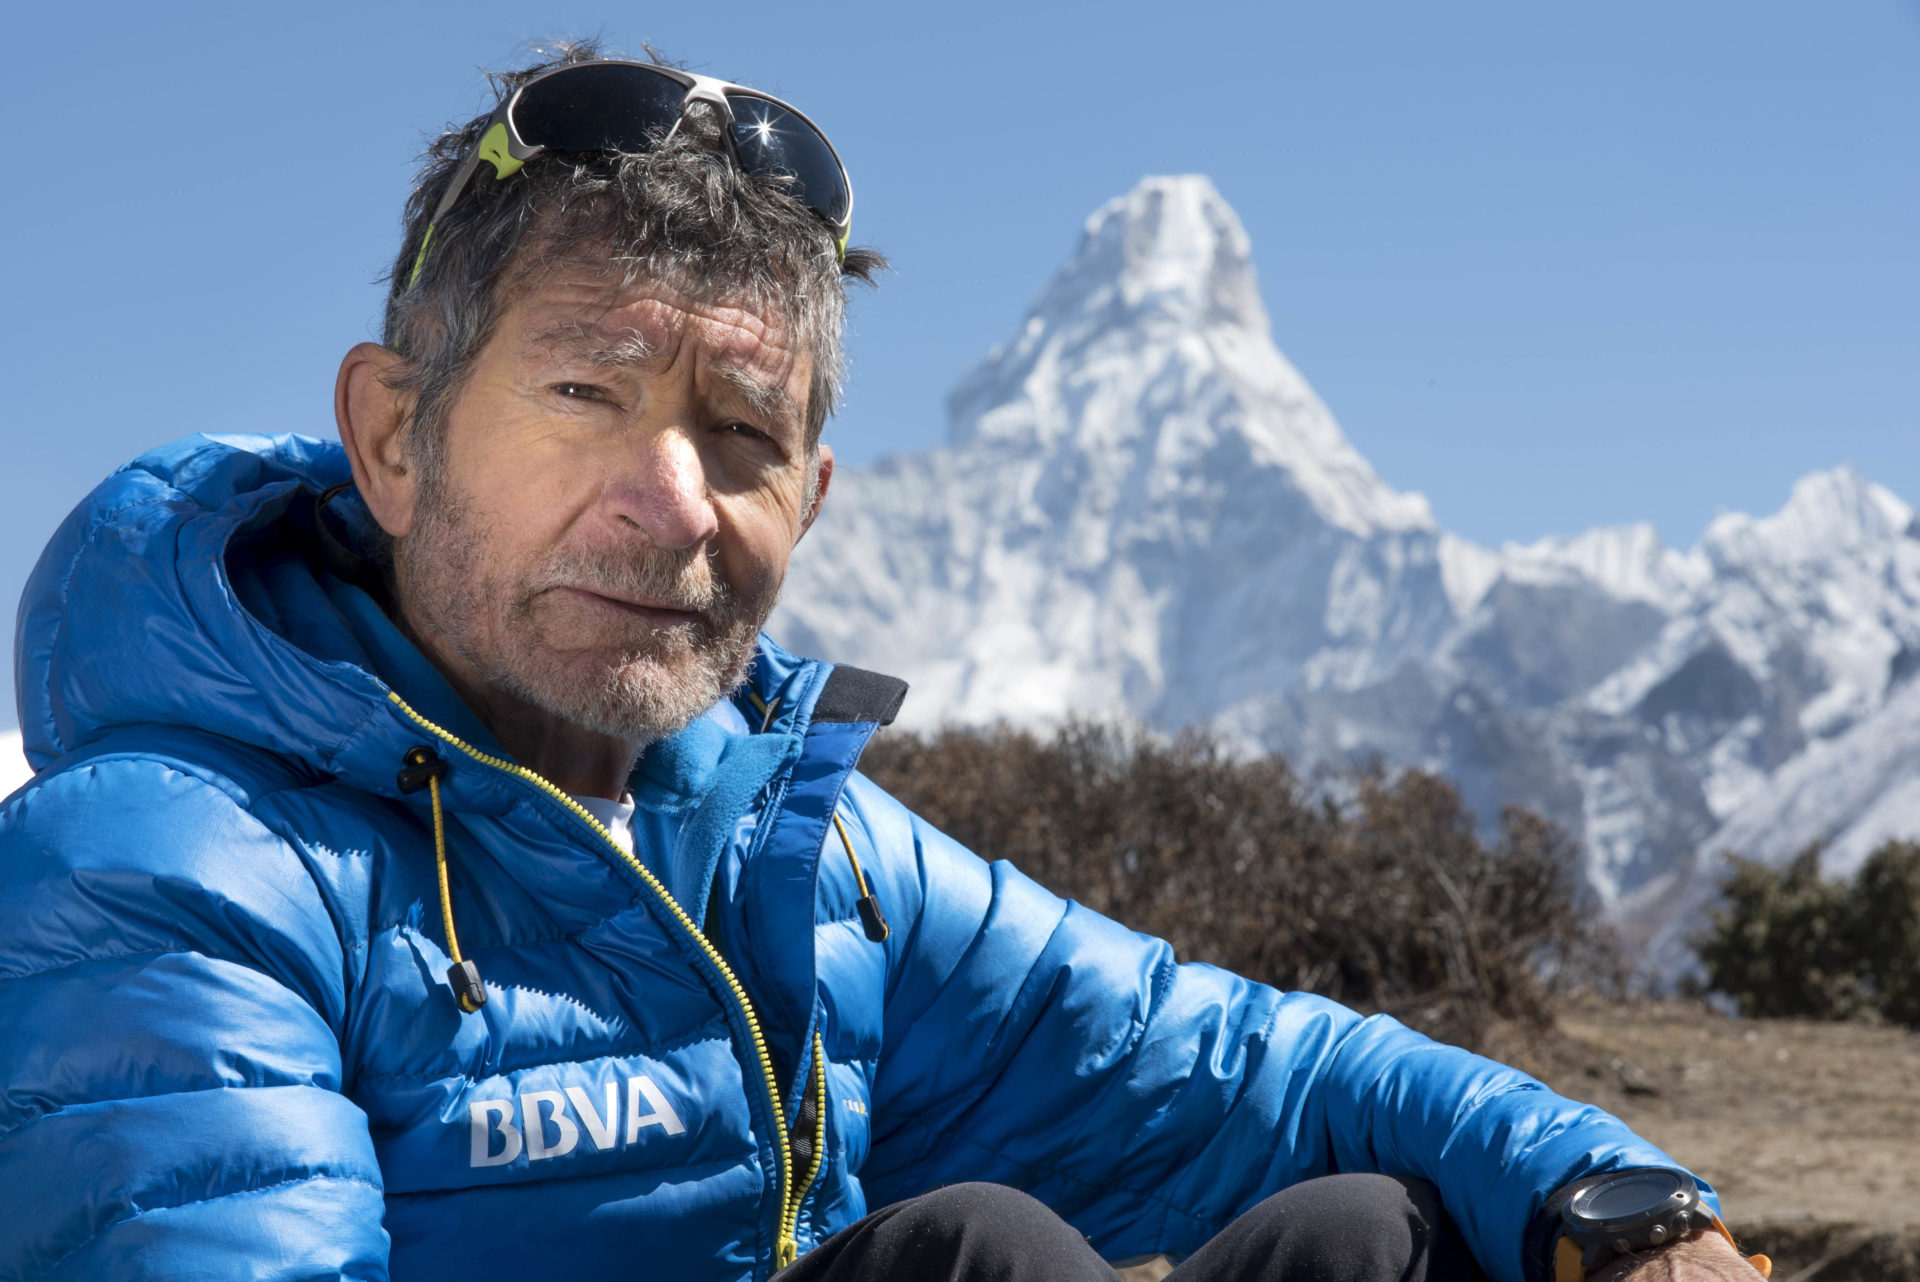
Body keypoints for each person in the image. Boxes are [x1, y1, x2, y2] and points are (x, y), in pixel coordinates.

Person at [0, 45, 1769, 1282]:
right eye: (583, 392)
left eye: (744, 429)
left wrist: (1619, 1205)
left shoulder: (785, 841)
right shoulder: (172, 874)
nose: (671, 502)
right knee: (970, 1258)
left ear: (817, 494)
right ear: (393, 439)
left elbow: (1232, 1064)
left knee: (1379, 1237)